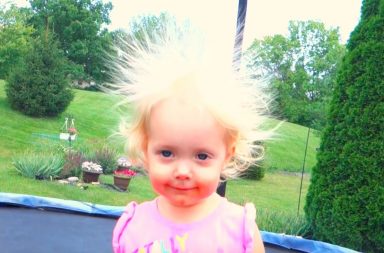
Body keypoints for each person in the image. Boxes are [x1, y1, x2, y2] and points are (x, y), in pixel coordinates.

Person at [111, 19, 271, 253]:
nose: (183, 172)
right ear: (146, 149)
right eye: (167, 153)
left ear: (228, 154)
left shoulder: (238, 231)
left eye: (202, 156)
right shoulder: (134, 226)